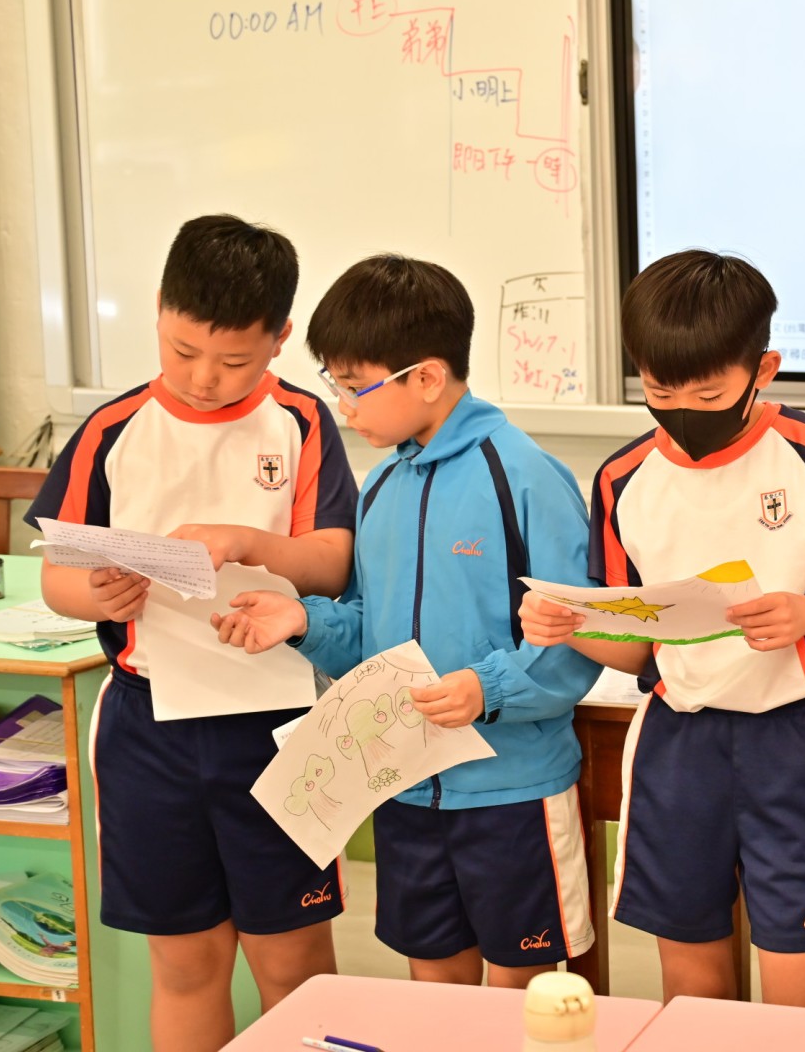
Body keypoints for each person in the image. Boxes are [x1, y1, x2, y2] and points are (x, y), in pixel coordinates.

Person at [208, 254, 603, 990]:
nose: (343, 406)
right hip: (402, 787)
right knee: (433, 992)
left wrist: (487, 689)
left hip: (511, 792)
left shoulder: (524, 477)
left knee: (519, 995)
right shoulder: (383, 483)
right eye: (334, 383)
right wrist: (302, 621)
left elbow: (579, 644)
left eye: (353, 385)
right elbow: (371, 636)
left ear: (425, 377)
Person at [519, 249, 805, 1009]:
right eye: (660, 390)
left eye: (709, 392)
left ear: (764, 370)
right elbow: (636, 647)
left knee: (798, 999)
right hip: (677, 745)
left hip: (792, 740)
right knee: (693, 997)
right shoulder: (622, 478)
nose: (684, 407)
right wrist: (568, 625)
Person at [28, 215, 355, 1052]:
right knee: (185, 965)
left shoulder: (301, 421)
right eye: (182, 351)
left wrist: (246, 542)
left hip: (277, 722)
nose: (205, 378)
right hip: (148, 730)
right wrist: (98, 595)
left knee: (294, 964)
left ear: (280, 338)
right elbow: (56, 574)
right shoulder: (111, 429)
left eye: (235, 361)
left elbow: (331, 562)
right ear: (159, 311)